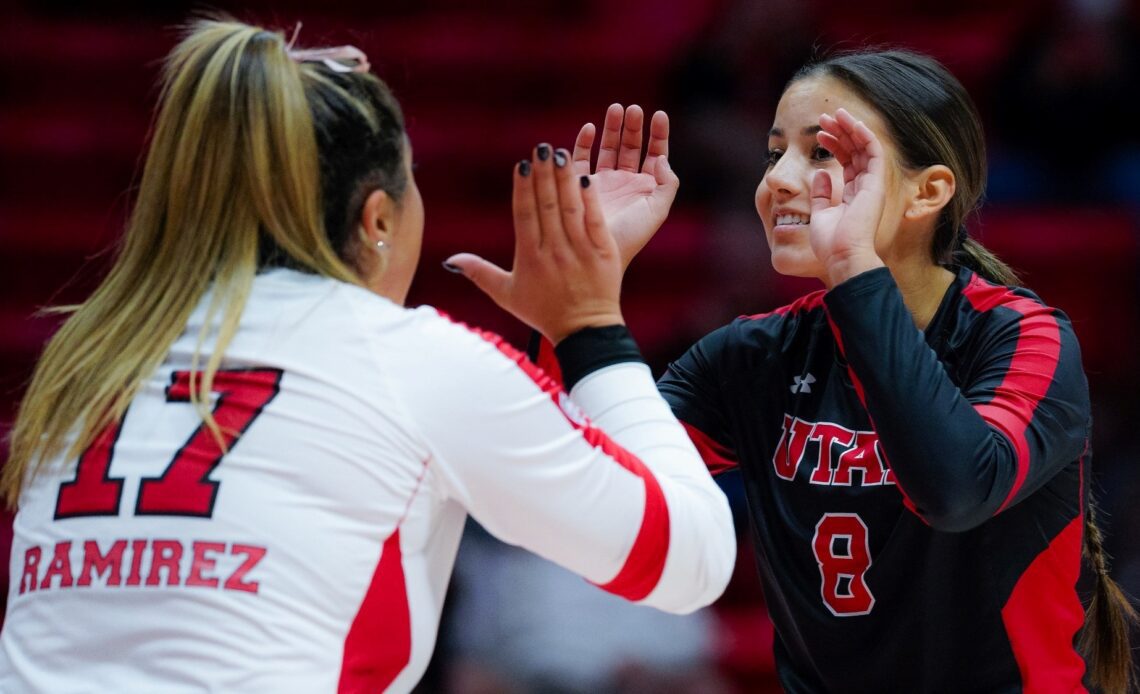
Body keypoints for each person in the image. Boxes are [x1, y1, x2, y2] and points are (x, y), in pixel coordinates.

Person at [0, 19, 736, 693]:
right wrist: (588, 324)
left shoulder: (91, 354)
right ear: (378, 217)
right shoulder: (409, 359)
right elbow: (693, 560)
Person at [466, 50, 1137, 692]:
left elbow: (957, 488)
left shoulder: (1020, 336)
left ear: (925, 193)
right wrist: (581, 307)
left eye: (821, 153)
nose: (778, 180)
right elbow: (588, 492)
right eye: (774, 152)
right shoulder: (753, 356)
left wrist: (853, 267)